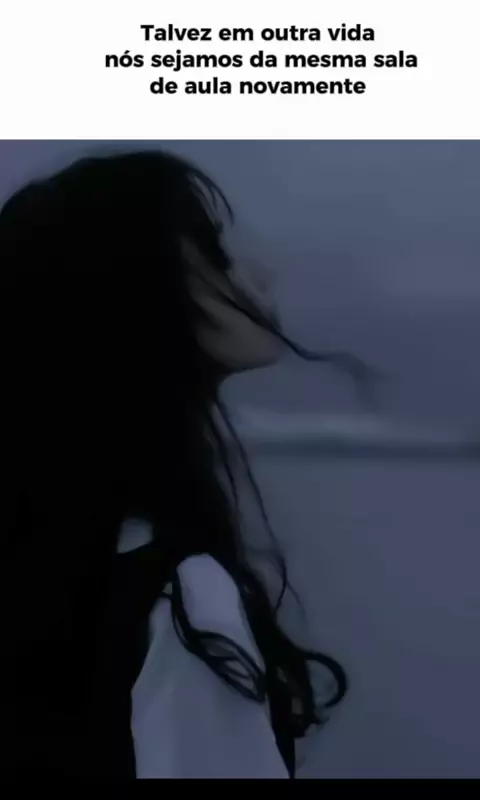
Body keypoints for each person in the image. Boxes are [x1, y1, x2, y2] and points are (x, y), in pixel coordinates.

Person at [2, 150, 365, 779]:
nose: (262, 276)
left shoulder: (53, 570)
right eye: (216, 254)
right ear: (130, 299)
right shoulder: (177, 597)